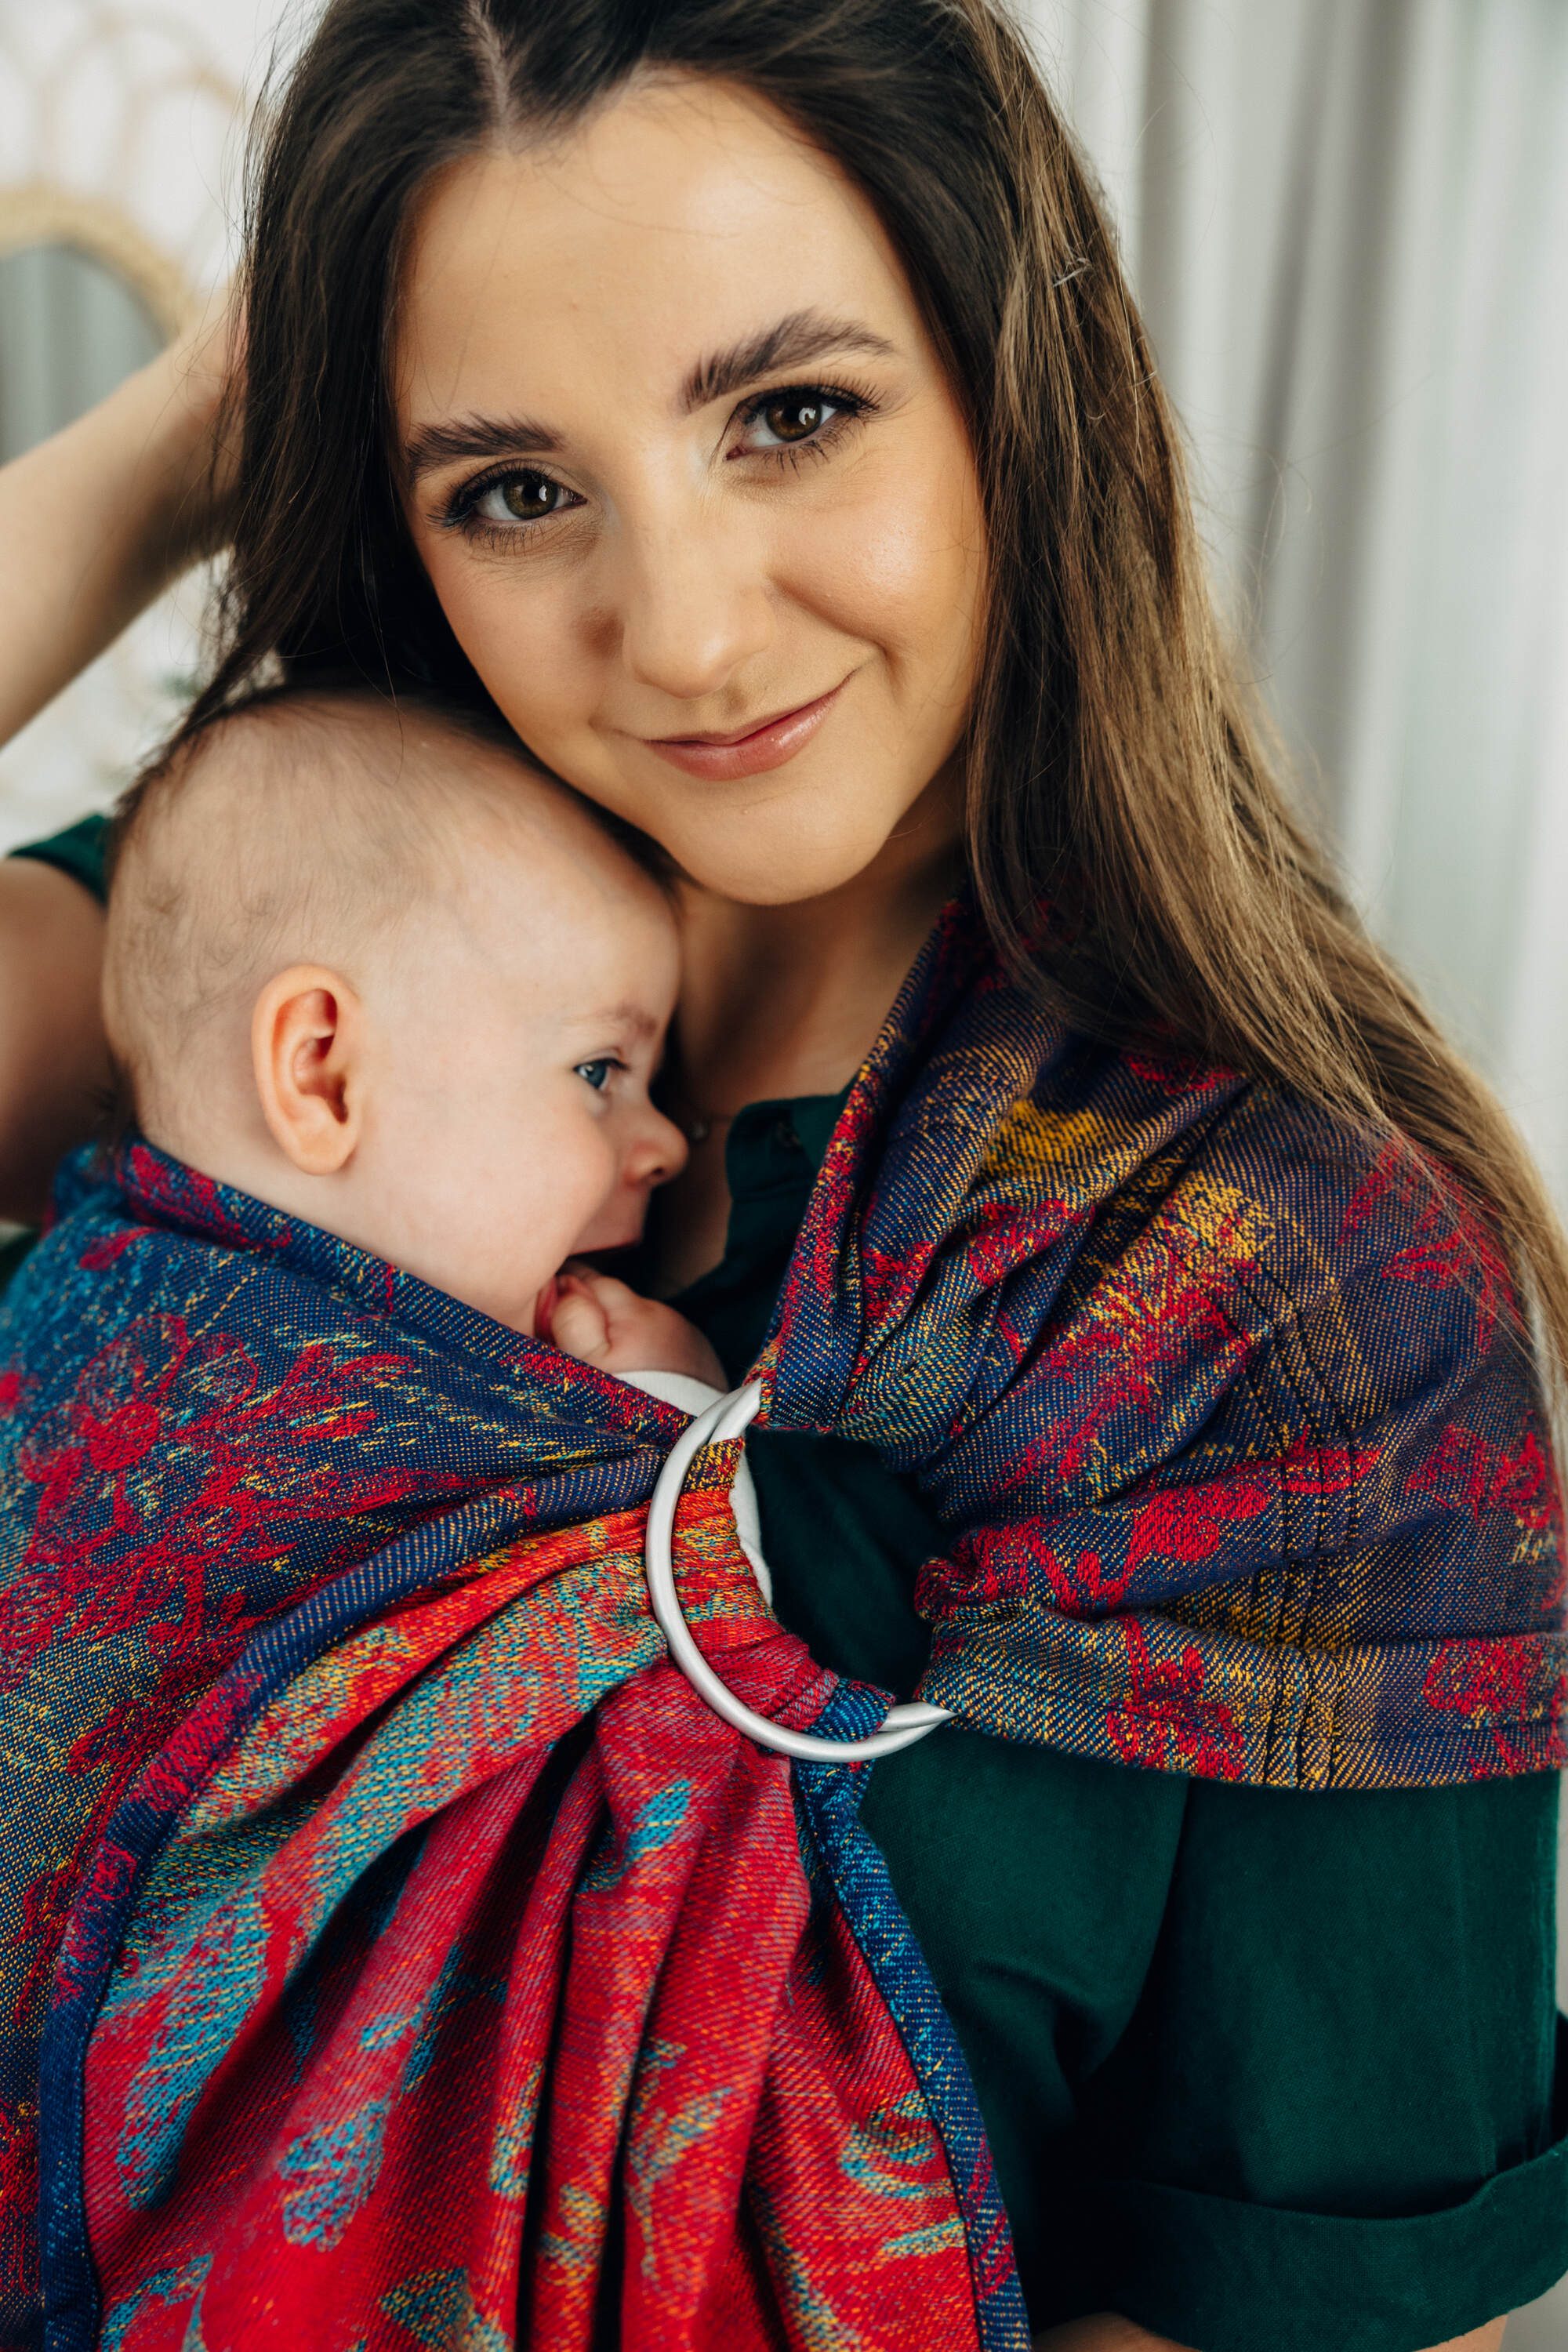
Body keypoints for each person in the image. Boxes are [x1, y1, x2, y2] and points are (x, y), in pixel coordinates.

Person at [0, 2, 1563, 2346]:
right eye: (514, 486)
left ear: (1015, 396)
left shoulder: (1310, 1309)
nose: (692, 631)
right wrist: (196, 429)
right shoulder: (299, 973)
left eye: (791, 415)